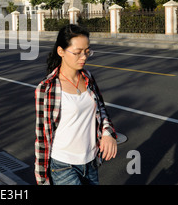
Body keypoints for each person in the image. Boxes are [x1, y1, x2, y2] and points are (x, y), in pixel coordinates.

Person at [34, 24, 117, 185]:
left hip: (91, 161)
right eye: (77, 53)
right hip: (63, 165)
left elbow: (101, 110)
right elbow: (42, 136)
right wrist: (41, 178)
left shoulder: (88, 78)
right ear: (61, 51)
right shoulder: (47, 88)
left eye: (87, 51)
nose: (84, 57)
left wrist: (108, 134)